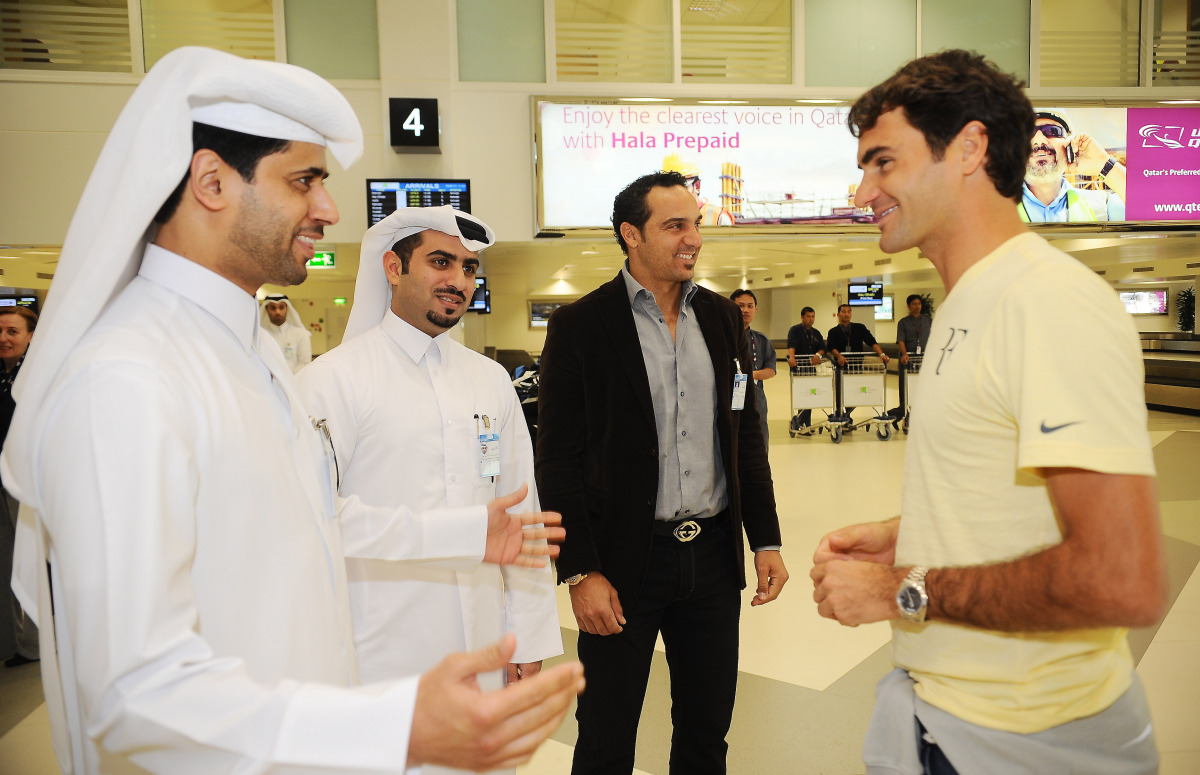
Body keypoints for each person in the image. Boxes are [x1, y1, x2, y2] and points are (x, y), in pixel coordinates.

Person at [0, 46, 583, 774]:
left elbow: (319, 522)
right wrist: (386, 725)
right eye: (304, 179)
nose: (329, 209)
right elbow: (132, 688)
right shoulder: (127, 377)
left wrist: (475, 538)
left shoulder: (251, 355)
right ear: (211, 181)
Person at [812, 49, 1166, 774]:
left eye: (883, 162)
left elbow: (1120, 574)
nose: (864, 187)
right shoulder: (968, 302)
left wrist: (902, 588)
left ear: (969, 148)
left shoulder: (1045, 301)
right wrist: (910, 534)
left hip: (1031, 744)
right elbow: (1015, 508)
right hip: (947, 719)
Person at [536, 171, 788, 775]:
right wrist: (580, 572)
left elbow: (743, 435)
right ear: (631, 235)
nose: (693, 238)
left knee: (706, 733)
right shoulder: (581, 328)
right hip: (622, 563)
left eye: (696, 224)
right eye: (675, 226)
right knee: (605, 736)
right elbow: (558, 458)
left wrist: (767, 539)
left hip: (710, 563)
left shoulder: (726, 321)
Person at [297, 206, 562, 775]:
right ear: (393, 268)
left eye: (469, 268)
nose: (460, 281)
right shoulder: (333, 381)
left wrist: (531, 634)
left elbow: (524, 510)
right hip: (380, 651)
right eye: (441, 262)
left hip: (485, 645)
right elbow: (309, 520)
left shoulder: (489, 380)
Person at [0, 306, 39, 668]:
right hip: (1, 475)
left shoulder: (35, 378)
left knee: (29, 559)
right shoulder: (1, 373)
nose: (4, 339)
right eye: (0, 331)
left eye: (12, 331)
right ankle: (11, 641)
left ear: (30, 337)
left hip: (25, 479)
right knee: (5, 559)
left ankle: (34, 644)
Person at [1021, 110, 1126, 222]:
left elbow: (1146, 207)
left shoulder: (1102, 206)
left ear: (1070, 144)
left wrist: (1104, 165)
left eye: (1052, 131)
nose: (1039, 141)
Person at [826, 303, 889, 424]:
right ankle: (841, 414)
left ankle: (845, 414)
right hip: (841, 367)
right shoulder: (833, 331)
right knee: (841, 393)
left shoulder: (860, 328)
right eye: (843, 311)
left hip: (856, 365)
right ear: (838, 314)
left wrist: (881, 354)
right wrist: (839, 356)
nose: (846, 314)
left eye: (849, 311)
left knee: (855, 392)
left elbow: (872, 342)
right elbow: (830, 347)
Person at [730, 289, 776, 448]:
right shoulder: (722, 337)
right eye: (740, 305)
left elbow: (771, 370)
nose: (745, 310)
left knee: (759, 444)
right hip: (728, 399)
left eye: (750, 306)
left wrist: (749, 375)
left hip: (756, 398)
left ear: (756, 309)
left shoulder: (761, 340)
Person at [662, 152, 736, 226]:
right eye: (670, 188)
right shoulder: (662, 217)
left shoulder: (719, 217)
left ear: (697, 186)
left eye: (682, 188)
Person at [786, 305, 826, 431]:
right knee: (802, 394)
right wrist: (792, 358)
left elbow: (823, 347)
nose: (811, 319)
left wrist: (818, 355)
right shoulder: (795, 330)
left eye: (813, 316)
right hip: (799, 367)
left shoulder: (816, 333)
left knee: (811, 394)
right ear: (802, 317)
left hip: (811, 368)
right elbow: (791, 345)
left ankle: (806, 422)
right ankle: (800, 420)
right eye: (808, 316)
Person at [259, 292, 312, 372]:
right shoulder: (259, 335)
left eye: (281, 307)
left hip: (295, 381)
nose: (277, 312)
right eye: (273, 308)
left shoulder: (301, 334)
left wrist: (289, 380)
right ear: (267, 310)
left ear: (287, 308)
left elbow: (304, 363)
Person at [895, 294, 930, 365]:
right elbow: (901, 340)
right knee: (908, 375)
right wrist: (905, 354)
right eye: (914, 304)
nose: (917, 306)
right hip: (909, 357)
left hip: (925, 356)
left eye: (919, 304)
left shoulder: (928, 320)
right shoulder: (903, 322)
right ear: (908, 306)